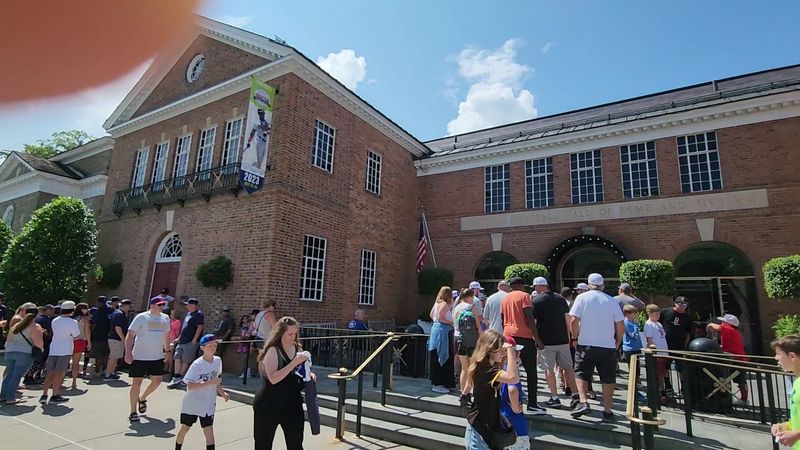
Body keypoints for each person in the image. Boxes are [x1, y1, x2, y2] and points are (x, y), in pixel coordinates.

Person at [569, 273, 625, 421]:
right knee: (608, 378)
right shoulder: (611, 300)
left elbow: (573, 319)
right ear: (603, 285)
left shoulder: (582, 298)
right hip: (607, 346)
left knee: (581, 373)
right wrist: (618, 342)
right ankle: (607, 409)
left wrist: (574, 337)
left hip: (586, 343)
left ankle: (583, 401)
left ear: (588, 284)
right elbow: (620, 324)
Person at [253, 316, 314, 449]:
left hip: (292, 403)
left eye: (295, 333)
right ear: (280, 333)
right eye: (289, 334)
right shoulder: (273, 350)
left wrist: (309, 374)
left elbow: (299, 370)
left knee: (295, 443)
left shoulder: (297, 348)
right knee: (263, 444)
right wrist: (293, 363)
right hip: (269, 404)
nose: (293, 336)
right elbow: (273, 378)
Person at [464, 330, 520, 450]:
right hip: (479, 428)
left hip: (489, 428)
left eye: (504, 350)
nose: (503, 353)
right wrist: (510, 349)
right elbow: (513, 378)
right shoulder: (483, 368)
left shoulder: (489, 367)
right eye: (500, 349)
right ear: (489, 349)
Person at [531, 277, 579, 410]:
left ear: (540, 286)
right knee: (568, 367)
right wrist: (569, 337)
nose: (534, 289)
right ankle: (575, 394)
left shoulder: (536, 301)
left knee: (549, 369)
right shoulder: (560, 299)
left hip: (546, 341)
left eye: (535, 286)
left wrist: (536, 339)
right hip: (562, 339)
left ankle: (554, 397)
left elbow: (533, 322)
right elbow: (567, 318)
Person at [175, 334, 230, 450]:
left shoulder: (218, 361)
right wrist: (209, 383)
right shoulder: (197, 365)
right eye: (209, 345)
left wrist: (222, 393)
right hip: (193, 402)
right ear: (202, 348)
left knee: (208, 429)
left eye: (215, 345)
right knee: (185, 427)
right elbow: (190, 386)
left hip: (208, 402)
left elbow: (216, 380)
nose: (213, 348)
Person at [500, 277, 544, 415]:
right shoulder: (524, 296)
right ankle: (532, 404)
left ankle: (509, 401)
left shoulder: (505, 298)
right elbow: (529, 317)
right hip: (524, 336)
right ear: (520, 285)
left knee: (510, 370)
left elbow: (502, 318)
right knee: (531, 372)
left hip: (508, 336)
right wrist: (537, 338)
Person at [125, 297, 172, 422]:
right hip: (140, 356)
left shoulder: (165, 318)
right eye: (159, 304)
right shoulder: (141, 317)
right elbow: (130, 335)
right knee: (137, 383)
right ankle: (133, 412)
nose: (162, 307)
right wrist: (128, 353)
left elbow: (166, 336)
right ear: (152, 305)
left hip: (156, 356)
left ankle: (143, 398)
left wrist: (167, 351)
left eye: (163, 304)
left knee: (157, 381)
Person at [0, 303, 44, 404]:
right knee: (16, 376)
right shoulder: (35, 326)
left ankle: (3, 396)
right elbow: (39, 343)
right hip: (24, 353)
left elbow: (9, 339)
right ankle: (11, 398)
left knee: (9, 375)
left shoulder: (16, 325)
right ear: (36, 315)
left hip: (10, 351)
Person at [41, 301, 81, 404]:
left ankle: (44, 394)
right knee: (59, 373)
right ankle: (55, 394)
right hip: (65, 349)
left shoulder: (55, 320)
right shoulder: (72, 322)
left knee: (50, 372)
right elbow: (76, 336)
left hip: (54, 348)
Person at [706, 313, 749, 404]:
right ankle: (743, 399)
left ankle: (739, 399)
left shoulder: (729, 329)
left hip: (736, 359)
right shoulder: (733, 331)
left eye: (723, 322)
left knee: (735, 379)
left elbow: (717, 327)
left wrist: (710, 324)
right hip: (739, 358)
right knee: (740, 379)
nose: (722, 323)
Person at [454, 288, 483, 406]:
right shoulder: (471, 307)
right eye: (472, 297)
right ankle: (466, 393)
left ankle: (463, 392)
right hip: (472, 340)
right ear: (468, 297)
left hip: (459, 338)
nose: (473, 300)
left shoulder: (456, 307)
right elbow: (478, 325)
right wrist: (482, 338)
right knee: (473, 369)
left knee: (464, 369)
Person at [500, 337, 530, 450]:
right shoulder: (511, 370)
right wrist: (516, 408)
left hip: (503, 417)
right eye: (515, 351)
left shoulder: (499, 369)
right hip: (515, 421)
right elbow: (512, 389)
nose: (519, 353)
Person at [770, 335, 800, 448]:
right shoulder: (797, 381)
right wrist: (787, 425)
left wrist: (797, 434)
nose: (775, 358)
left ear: (792, 356)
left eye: (779, 354)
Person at [169, 298, 205, 389]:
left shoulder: (199, 315)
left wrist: (195, 339)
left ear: (193, 305)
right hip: (182, 340)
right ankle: (176, 376)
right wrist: (179, 337)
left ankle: (181, 377)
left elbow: (199, 327)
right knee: (177, 357)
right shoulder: (188, 314)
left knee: (186, 359)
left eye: (188, 304)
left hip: (190, 341)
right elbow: (184, 327)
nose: (187, 306)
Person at [660, 296, 692, 393]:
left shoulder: (687, 317)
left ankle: (683, 387)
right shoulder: (665, 312)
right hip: (666, 344)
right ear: (675, 303)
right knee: (665, 366)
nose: (682, 306)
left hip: (679, 345)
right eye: (680, 304)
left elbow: (688, 333)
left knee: (681, 367)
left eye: (684, 305)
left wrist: (685, 345)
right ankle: (668, 385)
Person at [428, 286, 455, 394]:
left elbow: (431, 315)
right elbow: (440, 318)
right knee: (443, 354)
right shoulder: (444, 304)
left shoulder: (436, 303)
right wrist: (451, 322)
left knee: (438, 354)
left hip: (437, 330)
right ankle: (439, 383)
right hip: (442, 332)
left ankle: (440, 382)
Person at [644, 304, 669, 404]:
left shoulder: (659, 324)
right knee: (657, 374)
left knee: (662, 373)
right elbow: (649, 340)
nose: (658, 315)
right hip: (657, 353)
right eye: (656, 313)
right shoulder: (648, 324)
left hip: (664, 352)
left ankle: (663, 391)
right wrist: (654, 352)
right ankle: (658, 394)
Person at [621, 305, 645, 402]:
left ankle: (637, 391)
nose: (635, 315)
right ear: (627, 314)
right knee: (633, 372)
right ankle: (634, 392)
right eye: (633, 313)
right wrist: (636, 326)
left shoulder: (632, 322)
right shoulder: (626, 323)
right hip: (630, 349)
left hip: (636, 348)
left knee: (637, 372)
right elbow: (633, 335)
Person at [249, 300, 277, 380]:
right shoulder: (269, 314)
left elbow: (254, 325)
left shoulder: (259, 314)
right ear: (270, 306)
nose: (275, 309)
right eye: (274, 306)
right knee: (267, 360)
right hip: (266, 339)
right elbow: (275, 327)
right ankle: (267, 379)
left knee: (261, 360)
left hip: (258, 338)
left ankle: (263, 380)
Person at [104, 299, 132, 380]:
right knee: (113, 357)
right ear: (126, 306)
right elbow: (117, 327)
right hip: (116, 339)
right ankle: (108, 374)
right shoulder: (119, 314)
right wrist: (123, 339)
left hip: (116, 338)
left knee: (116, 357)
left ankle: (112, 372)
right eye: (129, 307)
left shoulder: (118, 313)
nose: (129, 309)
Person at [90, 296, 112, 377]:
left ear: (98, 302)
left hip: (98, 336)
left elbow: (94, 325)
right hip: (108, 335)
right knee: (106, 354)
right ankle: (104, 370)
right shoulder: (110, 311)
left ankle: (97, 371)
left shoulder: (97, 312)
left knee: (98, 355)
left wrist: (90, 331)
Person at [70, 303, 91, 389]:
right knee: (76, 363)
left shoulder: (71, 318)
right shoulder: (84, 319)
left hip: (69, 340)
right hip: (80, 340)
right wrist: (89, 342)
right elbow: (87, 332)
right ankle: (74, 381)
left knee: (66, 362)